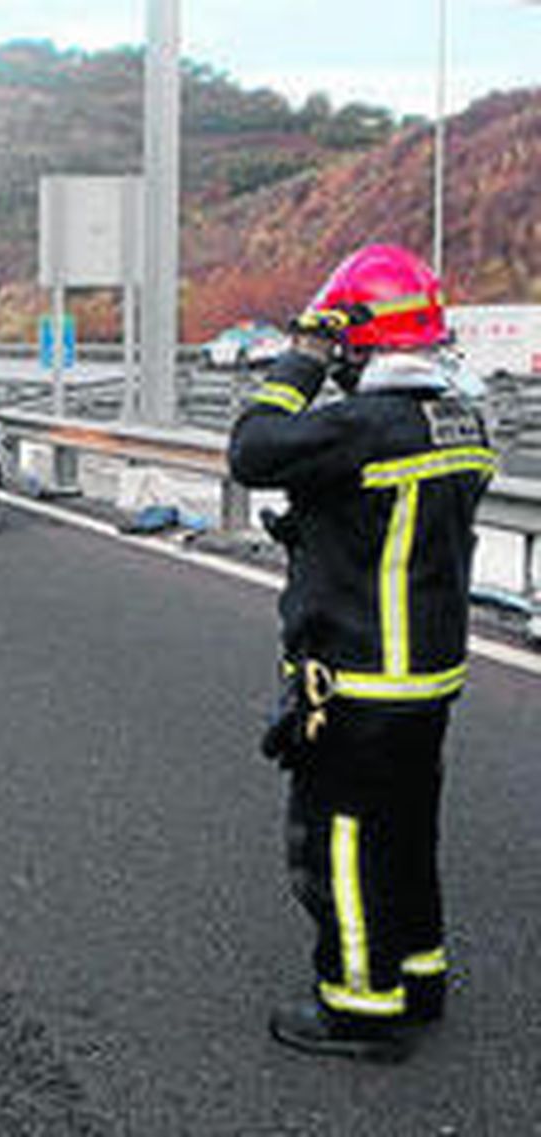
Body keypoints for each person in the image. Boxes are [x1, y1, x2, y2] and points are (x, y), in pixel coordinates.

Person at [228, 244, 497, 1063]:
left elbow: (252, 448)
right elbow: (380, 524)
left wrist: (300, 357)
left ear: (358, 337)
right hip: (429, 677)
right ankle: (420, 975)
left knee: (340, 837)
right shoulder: (459, 419)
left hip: (357, 675)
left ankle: (358, 1004)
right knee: (408, 830)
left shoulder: (358, 426)